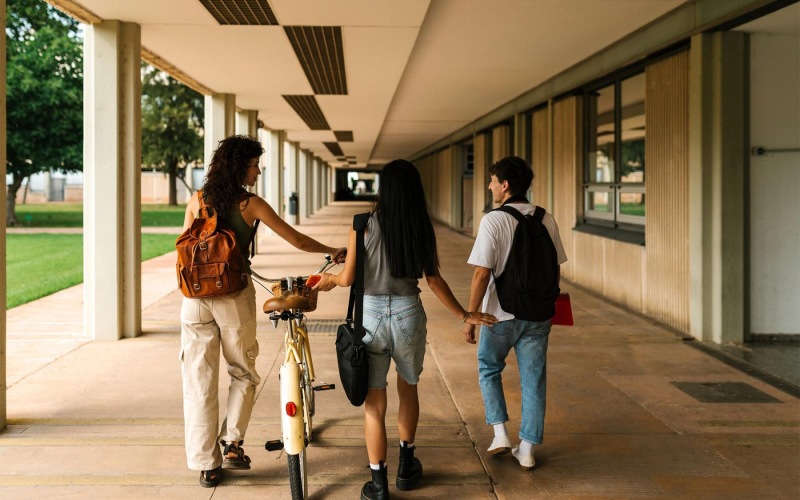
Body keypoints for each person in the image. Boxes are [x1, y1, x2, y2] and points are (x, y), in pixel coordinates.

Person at [315, 159, 496, 500]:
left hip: (370, 319)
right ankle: (407, 466)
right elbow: (433, 279)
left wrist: (330, 279)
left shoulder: (363, 224)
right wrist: (463, 314)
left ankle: (378, 484)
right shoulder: (420, 226)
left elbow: (349, 278)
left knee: (374, 403)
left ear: (384, 189)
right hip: (408, 314)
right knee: (408, 387)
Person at [179, 135, 345, 488]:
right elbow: (297, 240)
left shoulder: (197, 200)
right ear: (240, 166)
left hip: (193, 299)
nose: (258, 170)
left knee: (198, 380)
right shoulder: (249, 204)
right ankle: (232, 444)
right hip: (232, 297)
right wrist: (334, 250)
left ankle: (206, 465)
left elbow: (184, 245)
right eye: (254, 164)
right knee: (243, 371)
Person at [462, 156, 567, 471]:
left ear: (505, 185)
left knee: (489, 369)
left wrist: (471, 315)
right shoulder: (546, 219)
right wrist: (549, 308)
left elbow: (482, 274)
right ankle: (528, 448)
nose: (490, 186)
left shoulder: (493, 220)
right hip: (538, 315)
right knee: (534, 380)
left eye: (493, 180)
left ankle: (499, 434)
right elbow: (555, 272)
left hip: (499, 315)